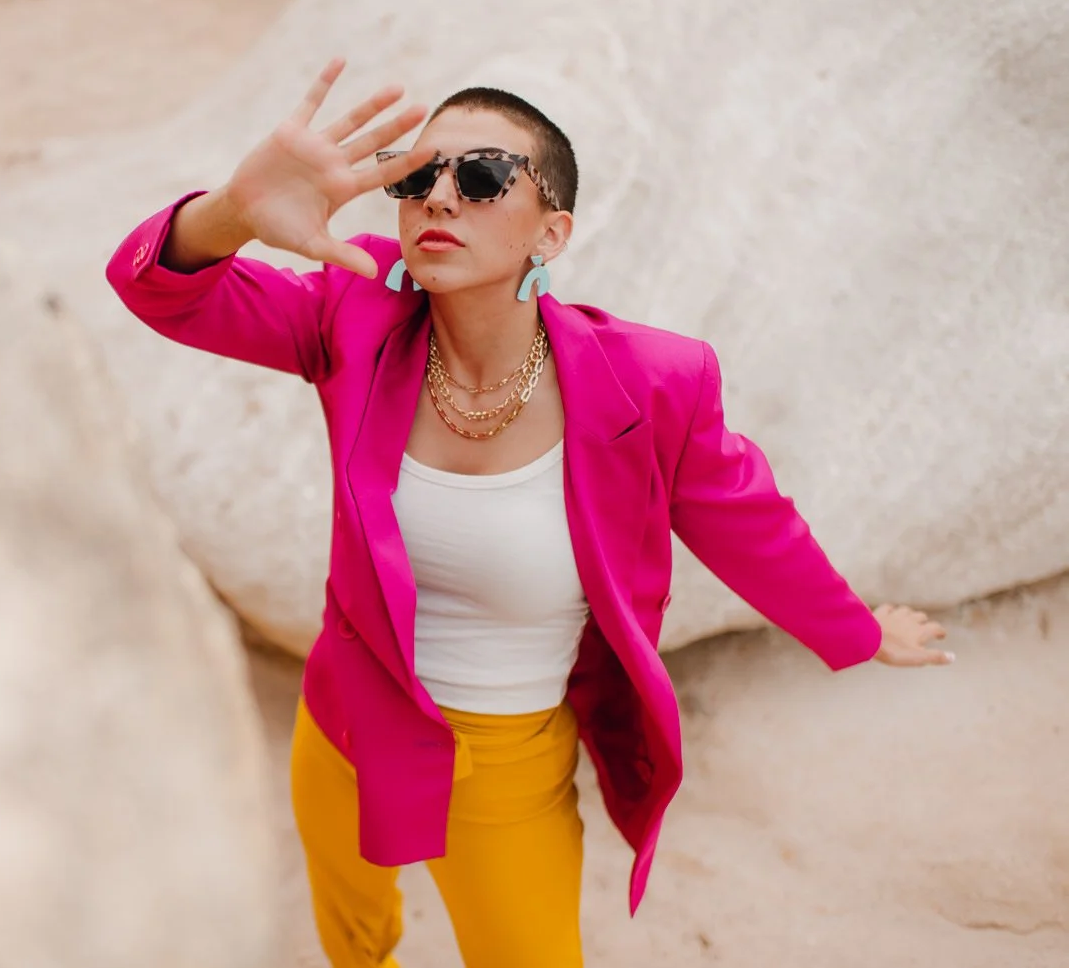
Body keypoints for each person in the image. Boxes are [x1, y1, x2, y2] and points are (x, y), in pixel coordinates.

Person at [104, 57, 952, 968]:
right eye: (415, 175)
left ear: (551, 232)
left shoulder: (653, 381)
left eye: (481, 177)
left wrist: (857, 628)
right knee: (353, 935)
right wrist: (232, 209)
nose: (439, 198)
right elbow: (157, 287)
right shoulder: (356, 310)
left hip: (505, 759)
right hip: (347, 716)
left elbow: (747, 520)